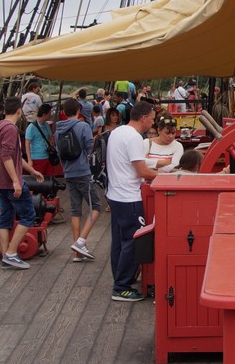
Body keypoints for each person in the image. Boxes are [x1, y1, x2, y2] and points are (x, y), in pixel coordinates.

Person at [106, 100, 159, 302]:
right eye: (152, 120)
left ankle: (119, 278)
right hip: (129, 197)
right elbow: (142, 171)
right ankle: (122, 286)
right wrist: (164, 176)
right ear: (143, 118)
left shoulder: (117, 132)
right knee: (134, 241)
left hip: (115, 194)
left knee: (119, 241)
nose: (152, 124)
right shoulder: (135, 138)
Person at [0, 96, 45, 270]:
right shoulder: (11, 129)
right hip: (10, 182)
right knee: (28, 215)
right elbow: (6, 156)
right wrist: (16, 180)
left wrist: (32, 171)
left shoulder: (1, 126)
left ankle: (5, 257)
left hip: (0, 180)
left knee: (5, 218)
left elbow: (14, 156)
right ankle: (11, 253)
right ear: (18, 111)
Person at [57, 98, 99, 263]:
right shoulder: (83, 126)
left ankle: (78, 251)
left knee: (76, 211)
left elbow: (60, 153)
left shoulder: (58, 130)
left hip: (68, 173)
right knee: (95, 206)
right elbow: (90, 148)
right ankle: (81, 242)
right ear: (79, 110)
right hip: (83, 172)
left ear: (64, 112)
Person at [24, 103, 58, 177]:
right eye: (49, 113)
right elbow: (27, 144)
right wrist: (29, 160)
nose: (50, 115)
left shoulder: (46, 125)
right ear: (44, 114)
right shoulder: (31, 127)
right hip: (37, 157)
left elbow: (50, 137)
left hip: (48, 156)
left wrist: (52, 141)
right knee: (38, 178)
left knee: (50, 178)